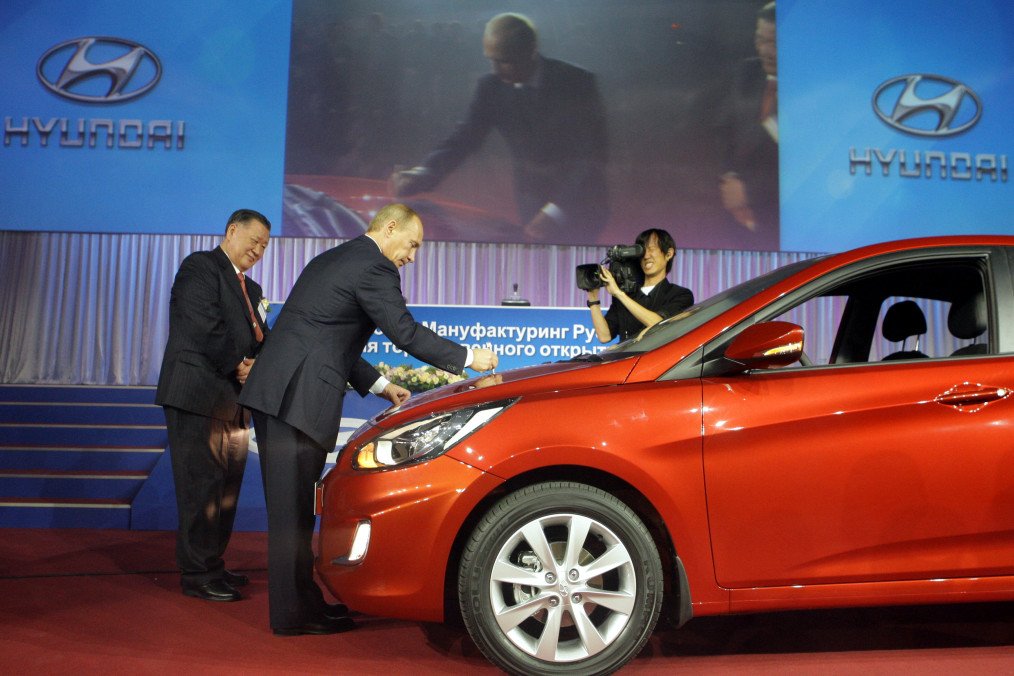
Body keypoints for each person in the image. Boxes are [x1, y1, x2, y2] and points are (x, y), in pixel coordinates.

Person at [238, 203, 498, 636]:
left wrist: (380, 386)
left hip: (283, 394)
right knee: (291, 518)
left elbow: (327, 337)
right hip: (293, 399)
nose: (412, 256)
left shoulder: (336, 257)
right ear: (390, 228)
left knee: (297, 514)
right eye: (412, 244)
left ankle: (304, 605)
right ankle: (291, 616)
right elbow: (405, 332)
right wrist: (470, 357)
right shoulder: (375, 267)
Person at [390, 12, 609, 242]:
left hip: (581, 204)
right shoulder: (491, 87)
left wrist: (556, 211)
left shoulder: (576, 83)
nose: (496, 69)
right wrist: (422, 173)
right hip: (531, 202)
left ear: (530, 50)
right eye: (491, 59)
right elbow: (464, 139)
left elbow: (592, 158)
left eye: (504, 60)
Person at [155, 209, 272, 602]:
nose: (257, 250)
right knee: (200, 488)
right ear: (232, 230)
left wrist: (262, 364)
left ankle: (213, 564)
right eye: (253, 240)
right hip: (198, 394)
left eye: (264, 246)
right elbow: (201, 324)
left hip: (233, 403)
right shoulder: (201, 267)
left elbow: (261, 339)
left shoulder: (252, 290)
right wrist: (240, 365)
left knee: (224, 490)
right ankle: (196, 573)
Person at [715, 2, 778, 248]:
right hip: (735, 221)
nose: (767, 51)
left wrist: (749, 191)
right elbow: (722, 132)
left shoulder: (813, 90)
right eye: (761, 40)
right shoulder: (746, 73)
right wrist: (729, 181)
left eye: (775, 43)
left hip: (783, 221)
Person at [587, 228, 694, 343]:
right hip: (628, 360)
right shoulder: (627, 293)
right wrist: (593, 298)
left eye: (651, 249)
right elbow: (604, 336)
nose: (646, 256)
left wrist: (619, 294)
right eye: (642, 250)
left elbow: (659, 325)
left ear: (668, 254)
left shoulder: (680, 294)